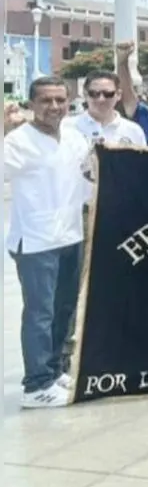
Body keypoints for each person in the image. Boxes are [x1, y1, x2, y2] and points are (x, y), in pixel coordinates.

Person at [4, 76, 92, 408]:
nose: (54, 107)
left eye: (60, 100)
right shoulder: (17, 142)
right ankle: (36, 384)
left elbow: (88, 177)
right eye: (45, 100)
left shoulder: (74, 137)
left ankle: (54, 371)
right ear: (31, 104)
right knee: (40, 314)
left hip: (71, 234)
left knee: (64, 310)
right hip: (36, 242)